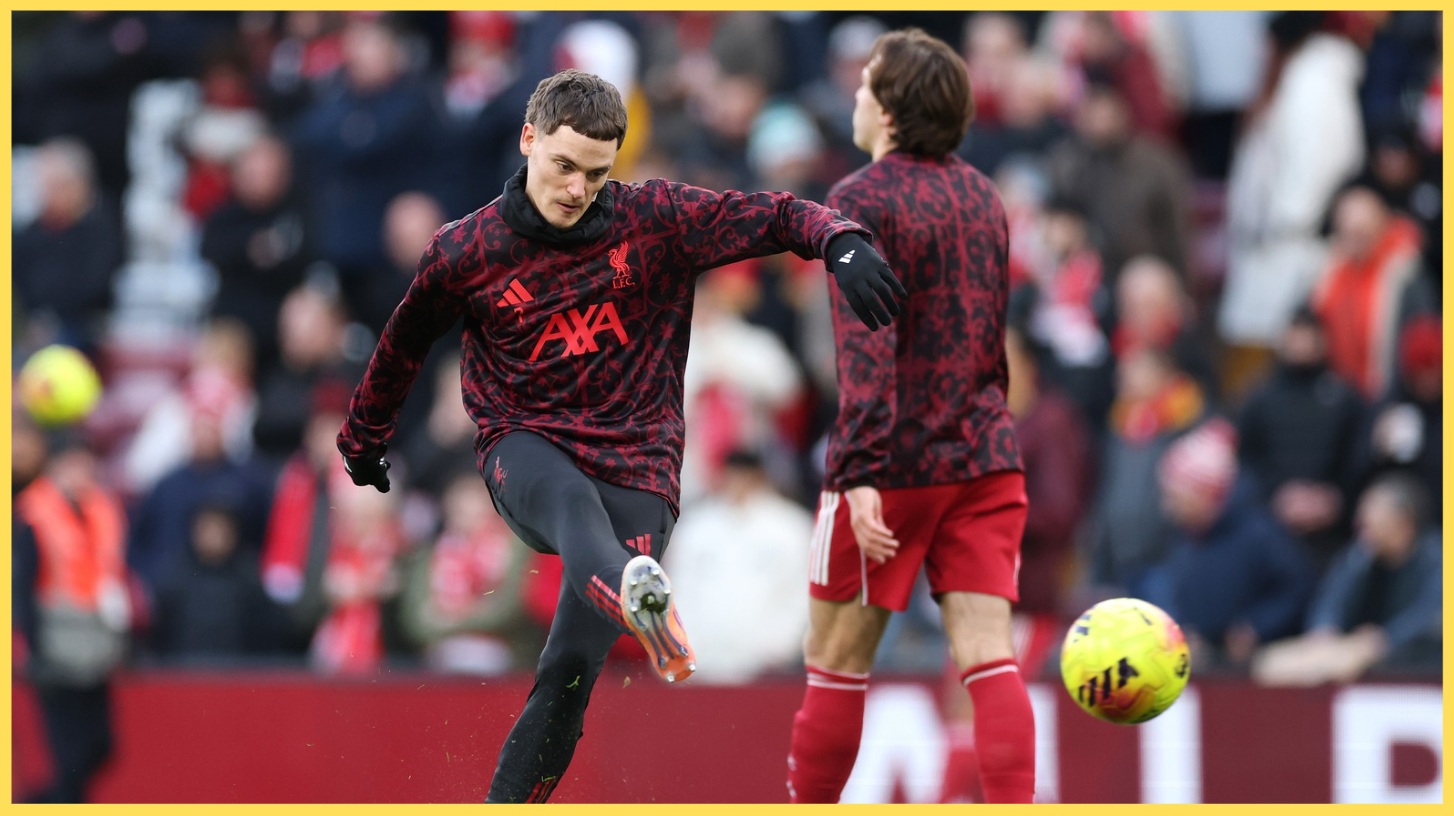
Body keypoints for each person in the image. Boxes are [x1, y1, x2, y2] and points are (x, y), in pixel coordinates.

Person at [333, 68, 903, 804]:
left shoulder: (658, 218)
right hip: (525, 442)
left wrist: (841, 241)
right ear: (528, 139)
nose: (576, 189)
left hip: (640, 466)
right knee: (571, 504)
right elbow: (402, 345)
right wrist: (363, 436)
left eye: (595, 175)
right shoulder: (465, 251)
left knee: (568, 673)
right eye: (563, 166)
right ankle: (635, 593)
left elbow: (778, 213)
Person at [784, 30, 1033, 805]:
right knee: (990, 659)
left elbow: (865, 350)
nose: (855, 96)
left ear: (888, 109)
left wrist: (857, 472)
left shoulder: (856, 200)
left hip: (891, 465)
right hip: (985, 455)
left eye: (865, 84)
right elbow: (993, 344)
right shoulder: (985, 197)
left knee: (835, 659)